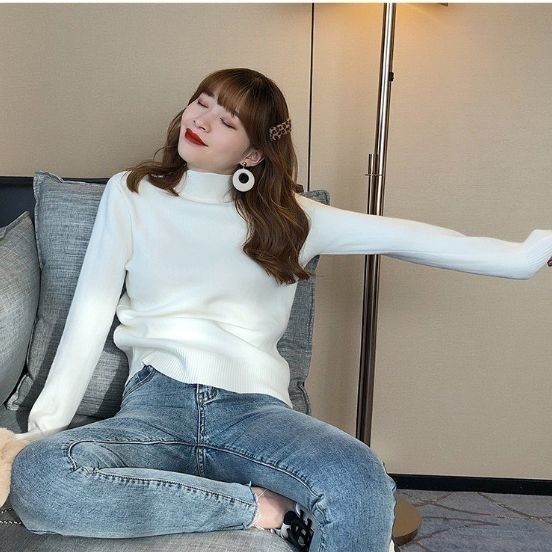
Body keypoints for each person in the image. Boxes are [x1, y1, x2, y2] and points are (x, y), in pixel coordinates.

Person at [7, 67, 552, 552]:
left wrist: (528, 255)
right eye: (202, 102)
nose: (202, 120)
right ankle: (265, 510)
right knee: (42, 477)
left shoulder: (294, 217)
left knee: (359, 477)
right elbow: (91, 308)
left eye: (227, 120)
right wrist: (43, 427)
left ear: (252, 153)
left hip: (256, 414)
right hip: (155, 408)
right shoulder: (133, 192)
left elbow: (410, 237)